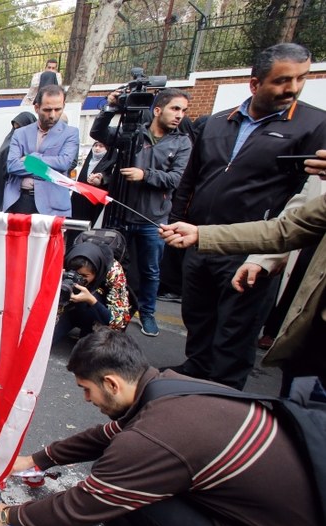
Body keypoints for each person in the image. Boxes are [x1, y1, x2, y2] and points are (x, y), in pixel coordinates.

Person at [0, 328, 325, 526]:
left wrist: (8, 515)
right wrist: (35, 460)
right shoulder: (173, 388)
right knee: (127, 472)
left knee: (120, 489)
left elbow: (79, 506)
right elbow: (108, 434)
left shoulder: (152, 437)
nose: (87, 399)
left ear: (111, 383)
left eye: (86, 389)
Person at [168, 42, 326, 389]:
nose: (293, 88)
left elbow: (304, 203)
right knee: (198, 315)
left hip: (251, 249)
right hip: (200, 239)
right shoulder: (215, 123)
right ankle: (196, 372)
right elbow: (191, 179)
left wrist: (267, 256)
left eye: (301, 79)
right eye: (282, 80)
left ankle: (224, 393)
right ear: (255, 84)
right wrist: (178, 222)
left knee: (236, 327)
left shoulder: (314, 126)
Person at [161, 150, 326, 393]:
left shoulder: (310, 123)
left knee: (234, 335)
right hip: (311, 323)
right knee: (301, 407)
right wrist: (202, 234)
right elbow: (288, 227)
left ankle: (223, 395)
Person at [90, 88, 193, 337]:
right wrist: (111, 108)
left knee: (150, 270)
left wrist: (144, 175)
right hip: (120, 215)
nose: (180, 115)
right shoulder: (133, 134)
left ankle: (147, 313)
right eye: (175, 108)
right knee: (112, 267)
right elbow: (98, 133)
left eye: (183, 111)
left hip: (153, 219)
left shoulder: (182, 142)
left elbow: (176, 179)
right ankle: (109, 311)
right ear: (157, 110)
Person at [3, 85, 79, 215]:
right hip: (20, 201)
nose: (53, 115)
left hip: (52, 204)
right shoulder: (20, 133)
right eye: (47, 110)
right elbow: (12, 166)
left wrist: (33, 158)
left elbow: (64, 163)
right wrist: (48, 173)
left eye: (58, 109)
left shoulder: (71, 133)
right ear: (37, 108)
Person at [53, 241, 131, 343]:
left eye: (84, 276)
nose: (78, 279)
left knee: (88, 350)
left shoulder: (113, 271)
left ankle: (88, 336)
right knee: (46, 340)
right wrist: (56, 282)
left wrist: (92, 300)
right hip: (70, 308)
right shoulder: (64, 262)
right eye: (74, 273)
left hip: (96, 308)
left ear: (96, 273)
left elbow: (118, 322)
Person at [0, 111, 36, 211]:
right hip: (13, 190)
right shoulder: (11, 142)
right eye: (15, 128)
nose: (17, 131)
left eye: (20, 128)